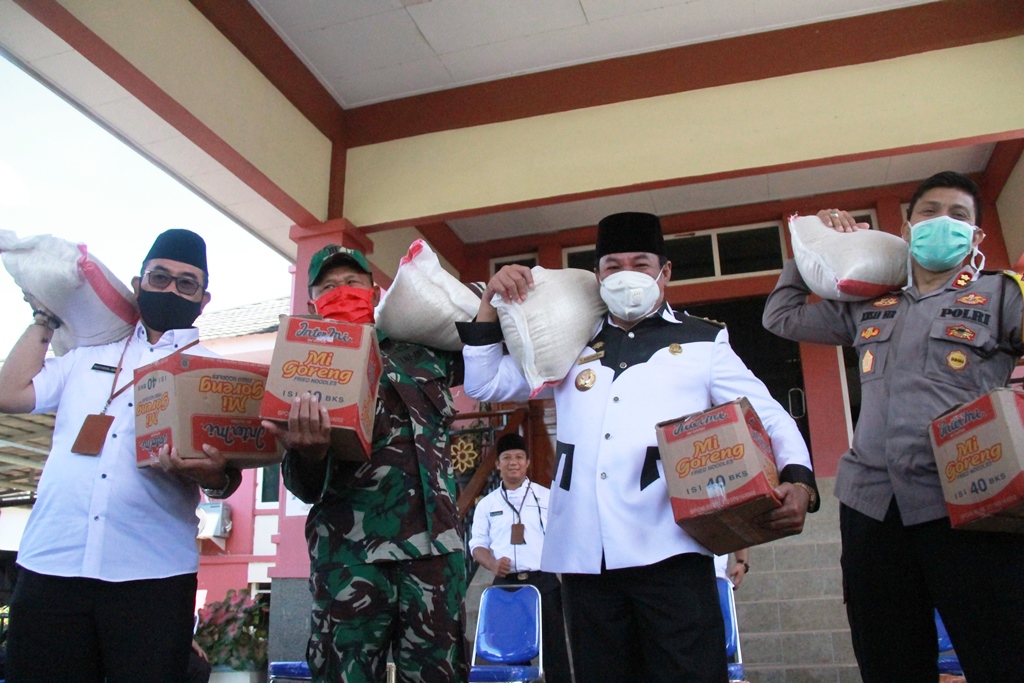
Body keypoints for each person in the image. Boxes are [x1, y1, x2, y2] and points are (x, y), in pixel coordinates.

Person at [457, 212, 818, 683]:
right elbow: (483, 383)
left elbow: (766, 412)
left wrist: (798, 476)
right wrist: (490, 300)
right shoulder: (568, 343)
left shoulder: (702, 340)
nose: (626, 274)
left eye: (641, 263)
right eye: (612, 265)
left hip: (673, 546)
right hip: (587, 555)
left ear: (665, 272)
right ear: (597, 275)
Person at [762, 170, 1024, 683]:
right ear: (907, 227)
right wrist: (812, 247)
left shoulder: (1000, 295)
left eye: (958, 215)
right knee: (889, 661)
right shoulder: (869, 300)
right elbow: (782, 316)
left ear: (976, 236)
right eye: (929, 212)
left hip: (969, 502)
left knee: (1000, 655)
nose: (942, 223)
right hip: (873, 508)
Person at [0, 229, 240, 683]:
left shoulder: (215, 374)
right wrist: (45, 319)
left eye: (186, 283)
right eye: (160, 277)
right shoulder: (86, 356)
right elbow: (9, 393)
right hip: (52, 563)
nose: (171, 289)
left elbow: (229, 469)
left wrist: (215, 474)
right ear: (137, 283)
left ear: (203, 299)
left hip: (152, 575)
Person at [267, 245, 466, 683]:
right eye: (330, 286)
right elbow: (300, 485)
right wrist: (310, 451)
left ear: (374, 292)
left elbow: (486, 340)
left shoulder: (422, 351)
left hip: (435, 553)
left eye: (353, 283)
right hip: (349, 556)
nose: (343, 292)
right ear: (311, 303)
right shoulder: (301, 365)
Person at [468, 432, 572, 683]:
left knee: (555, 652)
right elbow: (477, 544)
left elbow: (565, 534)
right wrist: (492, 564)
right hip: (506, 588)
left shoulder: (546, 497)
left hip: (544, 584)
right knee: (509, 657)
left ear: (527, 463)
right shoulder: (486, 504)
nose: (513, 462)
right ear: (497, 464)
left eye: (518, 457)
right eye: (506, 458)